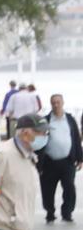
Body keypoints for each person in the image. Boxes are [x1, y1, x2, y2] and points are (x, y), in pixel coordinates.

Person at [39, 92, 78, 223]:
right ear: (51, 104)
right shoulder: (45, 120)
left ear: (63, 103)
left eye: (58, 102)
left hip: (67, 161)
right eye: (53, 102)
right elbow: (39, 142)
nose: (56, 105)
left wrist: (80, 157)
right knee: (47, 190)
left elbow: (76, 138)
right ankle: (50, 212)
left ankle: (67, 213)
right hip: (50, 162)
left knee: (69, 188)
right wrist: (38, 163)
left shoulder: (70, 119)